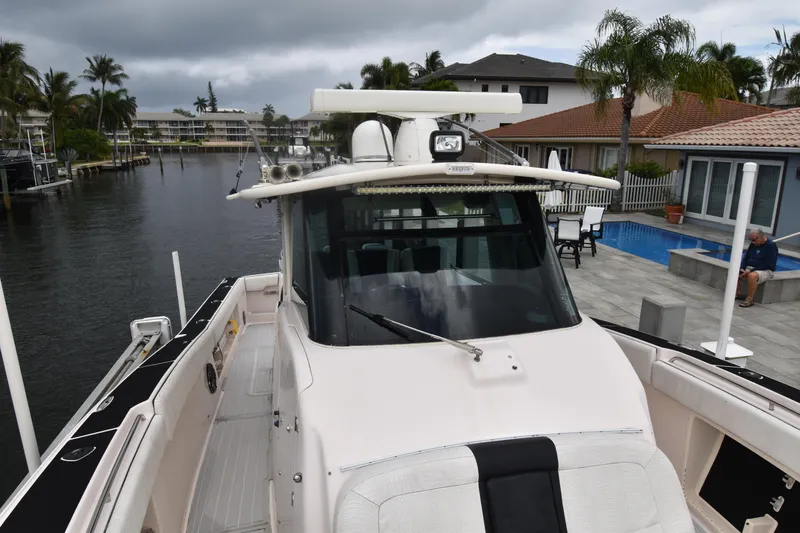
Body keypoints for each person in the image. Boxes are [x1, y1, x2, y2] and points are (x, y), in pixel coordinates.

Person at [738, 229, 778, 308]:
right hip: (751, 268)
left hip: (765, 270)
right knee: (736, 271)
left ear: (761, 237)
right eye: (750, 240)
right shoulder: (753, 244)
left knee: (752, 276)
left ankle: (750, 299)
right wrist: (742, 268)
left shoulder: (771, 246)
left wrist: (750, 271)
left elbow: (768, 264)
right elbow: (746, 257)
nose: (752, 242)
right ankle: (738, 294)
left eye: (754, 240)